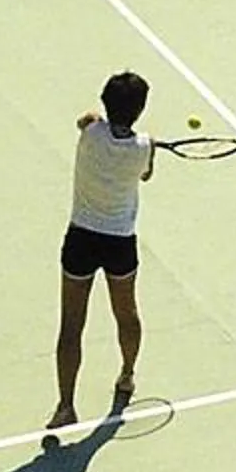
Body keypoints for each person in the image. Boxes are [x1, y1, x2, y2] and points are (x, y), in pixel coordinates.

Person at [45, 70, 154, 438]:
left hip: (81, 239)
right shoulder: (144, 148)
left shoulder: (91, 132)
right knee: (127, 312)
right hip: (120, 241)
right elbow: (146, 175)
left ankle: (65, 406)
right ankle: (127, 375)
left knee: (71, 325)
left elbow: (86, 118)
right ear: (139, 109)